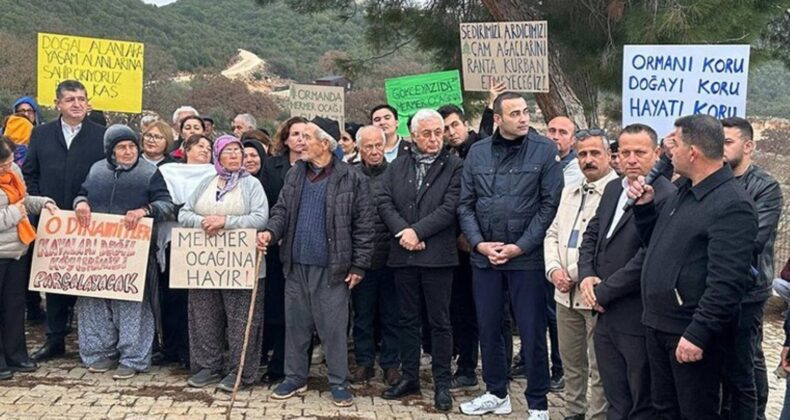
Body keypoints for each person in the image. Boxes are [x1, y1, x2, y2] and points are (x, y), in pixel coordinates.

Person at [626, 114, 757, 419]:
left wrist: (698, 333)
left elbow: (727, 282)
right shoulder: (683, 191)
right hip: (659, 324)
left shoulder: (732, 204)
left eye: (674, 143)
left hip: (688, 333)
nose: (668, 150)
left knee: (696, 412)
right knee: (664, 410)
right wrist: (644, 211)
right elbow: (659, 248)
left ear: (693, 152)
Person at [458, 92, 563, 420]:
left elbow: (550, 205)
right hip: (485, 258)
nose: (523, 118)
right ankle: (495, 392)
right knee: (489, 327)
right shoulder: (477, 153)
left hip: (526, 259)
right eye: (515, 113)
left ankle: (538, 403)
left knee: (532, 332)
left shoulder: (545, 150)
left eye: (526, 111)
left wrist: (521, 245)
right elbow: (466, 204)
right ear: (498, 118)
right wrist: (479, 244)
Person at [256, 117, 374, 407]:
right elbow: (282, 210)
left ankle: (338, 382)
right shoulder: (296, 174)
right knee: (295, 325)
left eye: (307, 137)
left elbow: (365, 225)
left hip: (333, 268)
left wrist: (359, 265)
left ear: (325, 143)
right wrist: (270, 233)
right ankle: (294, 378)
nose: (301, 142)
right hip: (296, 265)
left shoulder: (351, 177)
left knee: (332, 329)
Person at [578, 124, 675, 420]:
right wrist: (586, 275)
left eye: (640, 152)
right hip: (604, 316)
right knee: (614, 398)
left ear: (656, 154)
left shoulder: (667, 196)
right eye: (625, 152)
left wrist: (603, 291)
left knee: (640, 401)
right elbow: (593, 235)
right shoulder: (611, 188)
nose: (631, 159)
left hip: (635, 315)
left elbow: (648, 256)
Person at [377, 109, 463, 412]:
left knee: (440, 323)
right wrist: (404, 231)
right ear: (413, 135)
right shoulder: (397, 166)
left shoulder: (454, 166)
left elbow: (450, 206)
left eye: (438, 132)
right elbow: (384, 201)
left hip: (437, 256)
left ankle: (442, 384)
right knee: (407, 320)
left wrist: (417, 231)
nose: (433, 139)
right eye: (426, 133)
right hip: (403, 254)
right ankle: (410, 376)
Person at [73, 124, 174, 379]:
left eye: (131, 146)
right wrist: (81, 203)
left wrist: (144, 210)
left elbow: (167, 205)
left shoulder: (149, 172)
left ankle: (133, 357)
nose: (128, 151)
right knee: (94, 302)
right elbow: (81, 193)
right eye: (121, 147)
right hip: (96, 251)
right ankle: (100, 352)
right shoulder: (96, 170)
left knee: (131, 305)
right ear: (111, 151)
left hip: (134, 253)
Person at [23, 80, 106, 362]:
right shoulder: (41, 134)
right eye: (70, 99)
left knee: (88, 281)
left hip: (90, 220)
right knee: (55, 279)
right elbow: (29, 173)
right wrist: (40, 203)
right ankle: (55, 339)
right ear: (57, 103)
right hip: (52, 220)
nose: (77, 104)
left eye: (82, 99)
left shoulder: (101, 136)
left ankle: (92, 343)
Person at [178, 135, 268, 392]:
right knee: (204, 316)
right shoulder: (206, 181)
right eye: (227, 152)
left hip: (242, 265)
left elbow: (261, 217)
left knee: (242, 321)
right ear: (217, 156)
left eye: (237, 151)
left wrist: (226, 221)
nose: (234, 156)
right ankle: (207, 366)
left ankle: (240, 371)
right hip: (205, 265)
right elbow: (184, 213)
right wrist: (204, 222)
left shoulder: (252, 185)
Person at [543, 130, 616, 420]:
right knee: (572, 364)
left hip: (593, 294)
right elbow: (551, 232)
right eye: (583, 154)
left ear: (609, 155)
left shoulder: (618, 193)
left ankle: (598, 416)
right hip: (563, 295)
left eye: (595, 153)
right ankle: (573, 413)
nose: (588, 160)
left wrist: (572, 273)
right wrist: (553, 270)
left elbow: (604, 246)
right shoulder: (570, 190)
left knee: (599, 368)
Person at [720, 117, 783, 420]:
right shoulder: (715, 178)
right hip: (716, 283)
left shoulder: (766, 186)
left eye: (728, 142)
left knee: (746, 360)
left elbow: (752, 238)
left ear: (748, 146)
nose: (720, 148)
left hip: (749, 287)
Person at [153, 134, 215, 368]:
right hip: (172, 241)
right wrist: (184, 211)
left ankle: (192, 351)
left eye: (209, 148)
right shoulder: (168, 171)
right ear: (186, 149)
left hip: (204, 243)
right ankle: (171, 347)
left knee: (197, 300)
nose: (205, 151)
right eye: (200, 146)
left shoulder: (216, 174)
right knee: (172, 297)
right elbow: (160, 199)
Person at [0, 136, 57, 380]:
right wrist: (15, 212)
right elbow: (16, 209)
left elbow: (23, 201)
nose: (8, 167)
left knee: (14, 307)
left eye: (10, 161)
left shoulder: (15, 172)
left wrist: (43, 203)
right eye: (3, 164)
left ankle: (16, 355)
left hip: (18, 250)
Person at [348, 125, 400, 386]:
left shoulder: (396, 173)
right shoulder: (350, 175)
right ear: (359, 149)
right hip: (363, 260)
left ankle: (391, 365)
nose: (374, 151)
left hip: (392, 258)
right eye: (368, 146)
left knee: (392, 316)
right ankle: (365, 362)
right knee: (363, 316)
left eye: (378, 145)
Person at [258, 116, 307, 383]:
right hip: (277, 247)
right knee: (277, 308)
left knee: (301, 311)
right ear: (285, 139)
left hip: (306, 248)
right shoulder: (272, 166)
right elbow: (266, 202)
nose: (300, 138)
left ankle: (299, 366)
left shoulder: (317, 165)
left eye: (304, 134)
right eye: (295, 133)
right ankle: (276, 365)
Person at [436, 103, 481, 392]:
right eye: (445, 129)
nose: (452, 133)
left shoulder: (479, 150)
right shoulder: (443, 158)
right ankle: (463, 364)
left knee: (481, 310)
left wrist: (471, 235)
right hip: (450, 246)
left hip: (475, 244)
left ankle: (471, 366)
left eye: (455, 125)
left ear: (464, 124)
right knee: (458, 308)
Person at [547, 117, 585, 188]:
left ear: (573, 140)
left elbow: (555, 192)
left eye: (563, 133)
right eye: (552, 131)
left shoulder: (576, 167)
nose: (555, 137)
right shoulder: (535, 159)